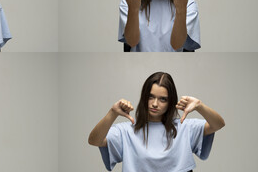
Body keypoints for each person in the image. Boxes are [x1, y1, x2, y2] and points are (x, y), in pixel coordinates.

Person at [88, 72, 225, 172]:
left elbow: (218, 124)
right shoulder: (126, 131)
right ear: (144, 97)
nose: (154, 104)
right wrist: (112, 113)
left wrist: (199, 105)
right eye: (150, 97)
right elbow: (94, 140)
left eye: (162, 99)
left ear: (170, 102)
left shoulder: (184, 127)